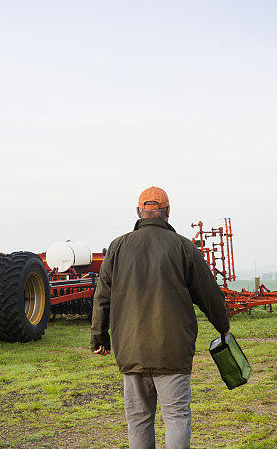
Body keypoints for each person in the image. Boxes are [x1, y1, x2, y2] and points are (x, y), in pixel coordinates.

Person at [91, 186, 230, 449]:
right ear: (167, 212)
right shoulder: (183, 246)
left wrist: (99, 337)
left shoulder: (118, 247)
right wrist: (223, 326)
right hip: (173, 351)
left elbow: (102, 297)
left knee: (139, 420)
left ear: (138, 213)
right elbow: (209, 294)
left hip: (132, 350)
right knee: (176, 417)